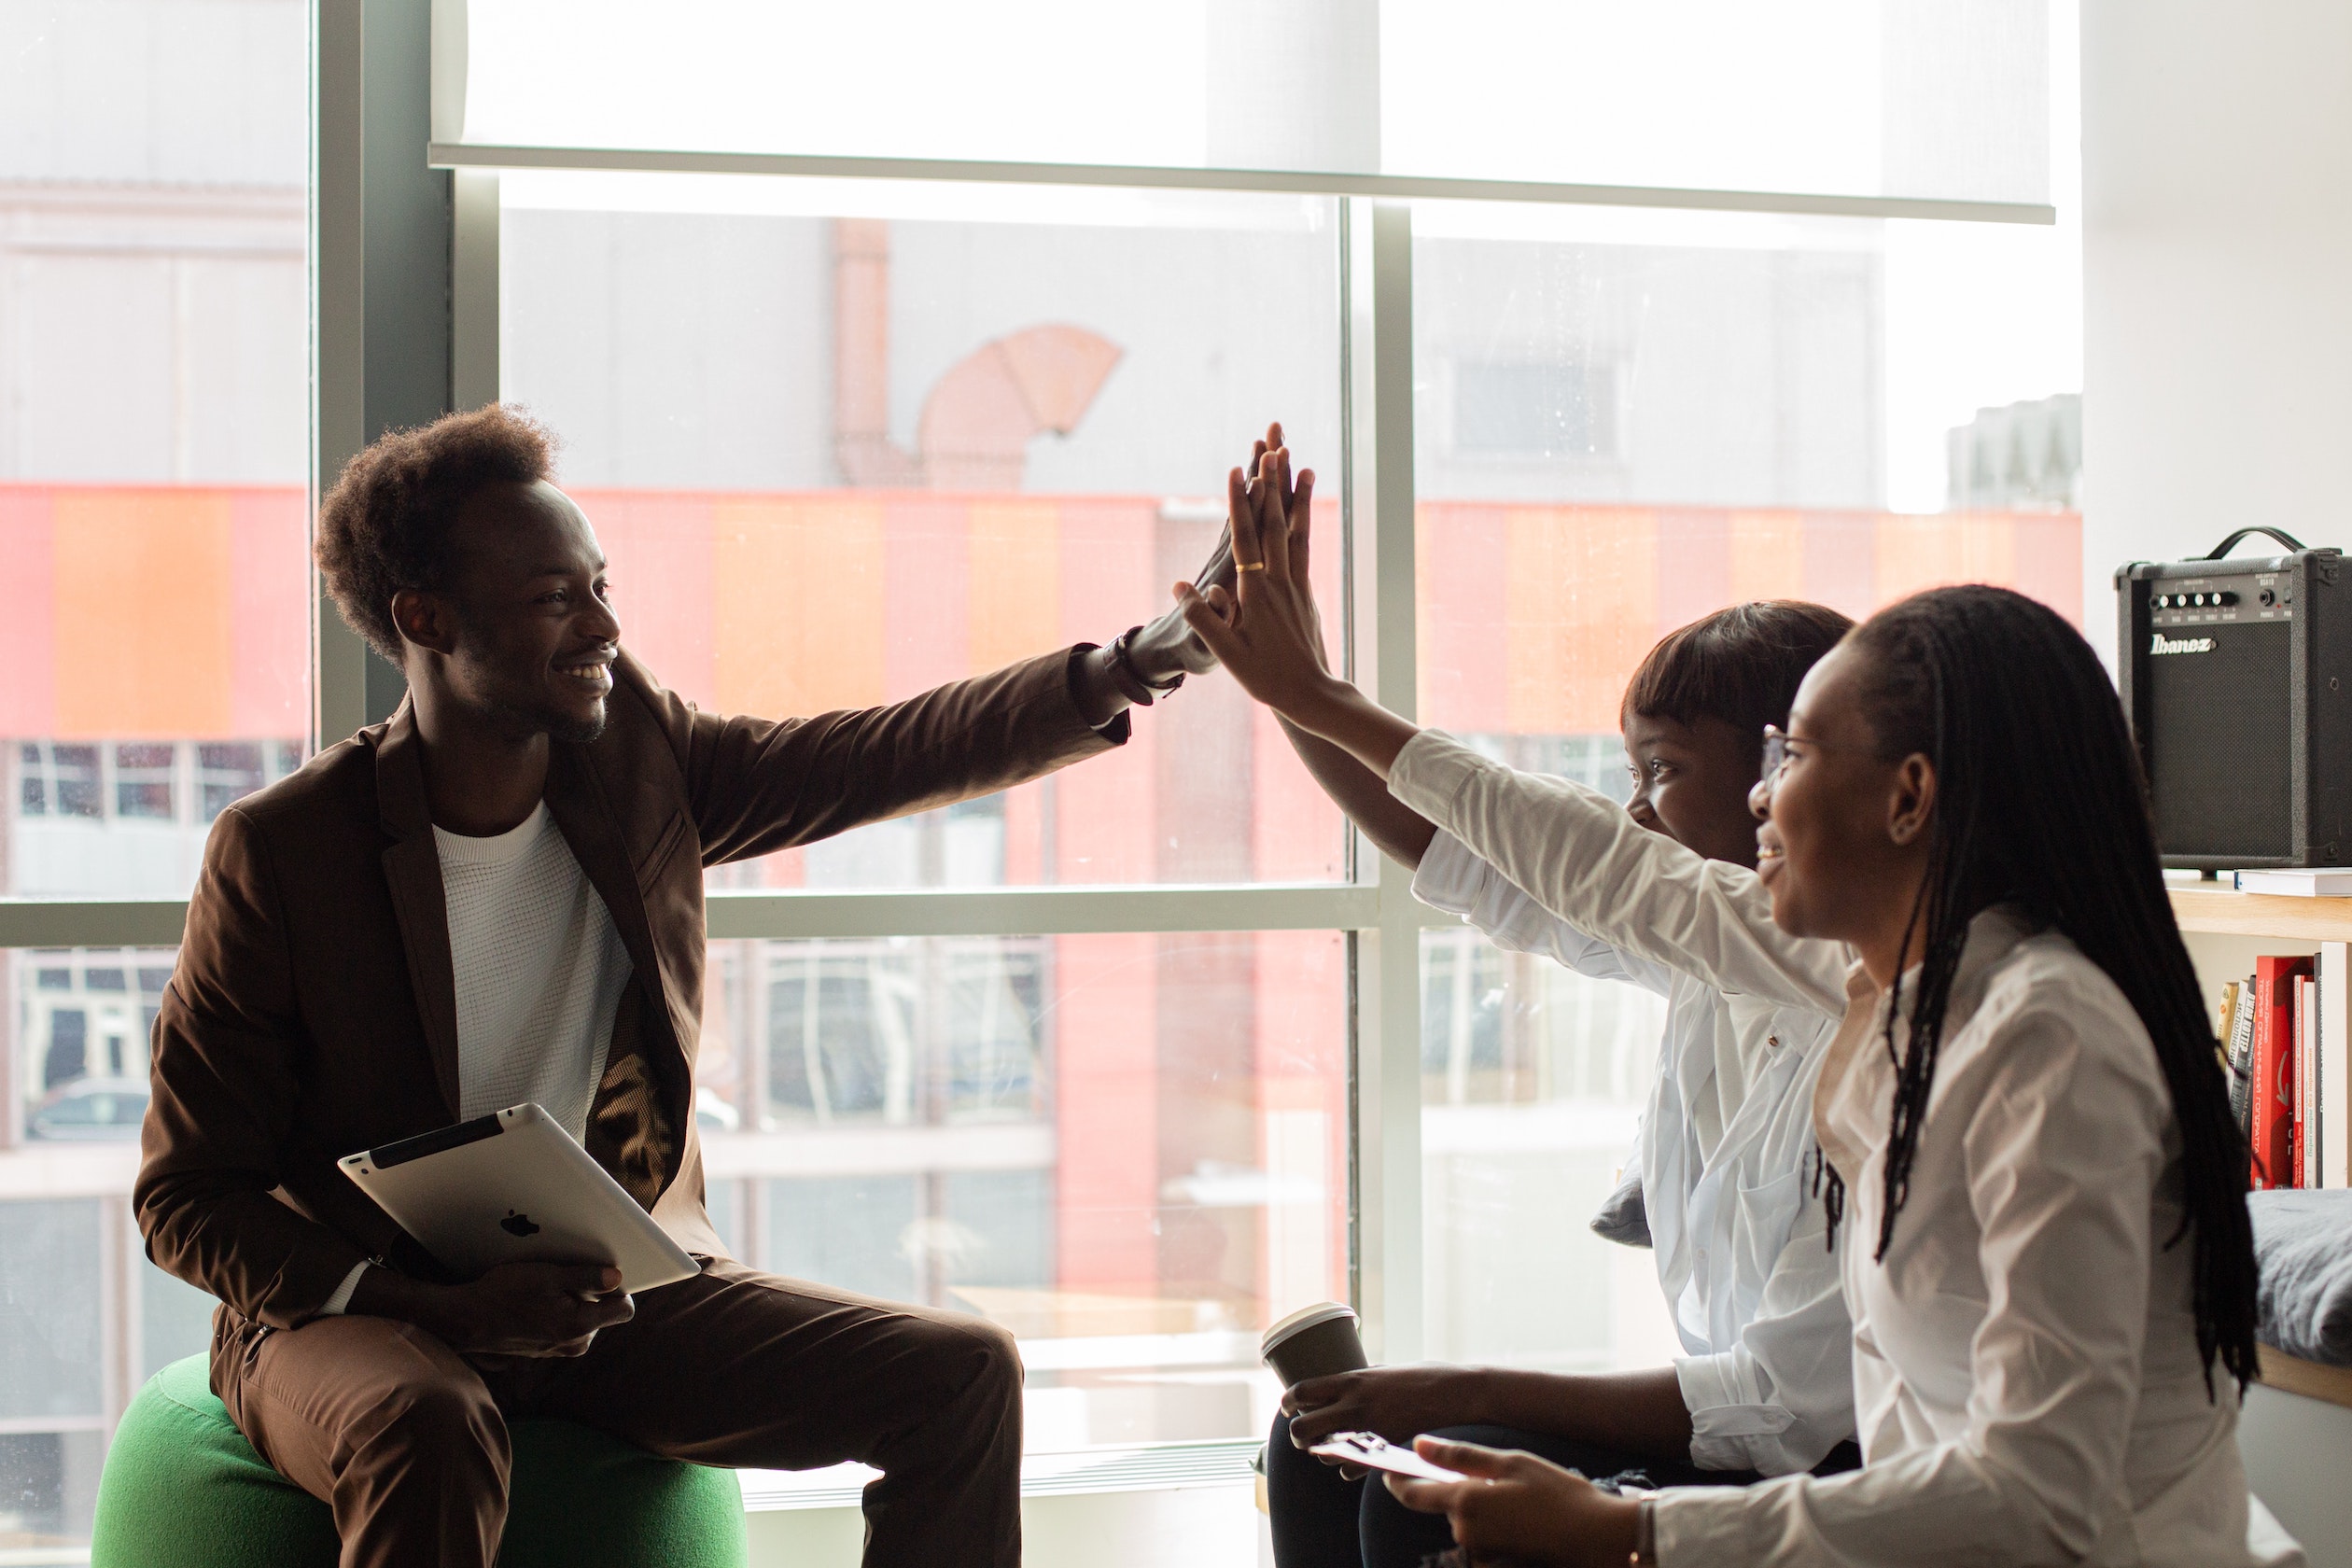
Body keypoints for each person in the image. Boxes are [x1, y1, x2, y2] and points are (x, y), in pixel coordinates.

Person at [133, 403, 1245, 1568]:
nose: (604, 624)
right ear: (426, 619)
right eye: (555, 598)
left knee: (961, 1377)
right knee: (429, 1424)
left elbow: (881, 751)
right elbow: (188, 1196)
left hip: (604, 1294)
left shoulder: (637, 758)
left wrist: (1138, 662)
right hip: (357, 1313)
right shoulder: (285, 850)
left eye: (600, 585)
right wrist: (433, 1310)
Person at [1179, 469, 2298, 1568]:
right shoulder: (1879, 980)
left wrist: (1628, 1531)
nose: (1766, 796)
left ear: (1907, 798)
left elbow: (2038, 1499)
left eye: (1795, 757)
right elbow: (1584, 862)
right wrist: (1307, 695)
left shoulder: (2048, 1044)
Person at [1266, 594, 1865, 1568]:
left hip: (1808, 1470)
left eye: (1662, 771)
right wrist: (1286, 687)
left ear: (1778, 771)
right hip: (1735, 1438)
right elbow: (1460, 850)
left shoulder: (1866, 1008)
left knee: (1425, 1495)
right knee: (1320, 1456)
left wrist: (1471, 1388)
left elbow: (1775, 1408)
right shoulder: (1702, 970)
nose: (1636, 812)